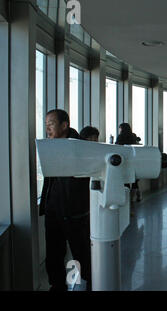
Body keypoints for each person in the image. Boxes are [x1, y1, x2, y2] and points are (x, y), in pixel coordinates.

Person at [39, 109, 91, 291]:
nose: (47, 128)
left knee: (80, 251)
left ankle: (85, 282)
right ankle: (57, 285)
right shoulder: (51, 145)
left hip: (74, 210)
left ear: (64, 125)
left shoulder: (80, 146)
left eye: (51, 124)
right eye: (46, 124)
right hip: (53, 208)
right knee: (53, 251)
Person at [115, 123, 142, 202]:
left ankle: (127, 199)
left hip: (124, 161)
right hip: (134, 161)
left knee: (125, 181)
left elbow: (117, 146)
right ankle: (133, 197)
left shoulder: (120, 137)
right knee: (134, 181)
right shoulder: (133, 136)